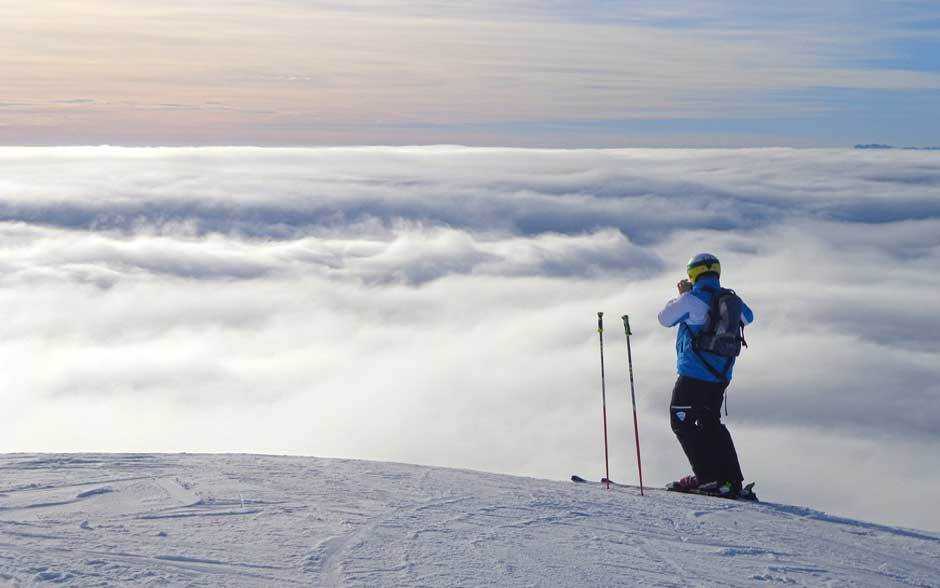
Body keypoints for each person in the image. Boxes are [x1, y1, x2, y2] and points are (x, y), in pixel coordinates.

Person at [657, 253, 754, 496]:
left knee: (681, 423)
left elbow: (664, 319)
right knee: (711, 423)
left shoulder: (691, 300)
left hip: (693, 375)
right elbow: (748, 317)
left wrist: (683, 295)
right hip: (720, 377)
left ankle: (706, 478)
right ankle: (731, 480)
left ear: (693, 274)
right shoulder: (730, 300)